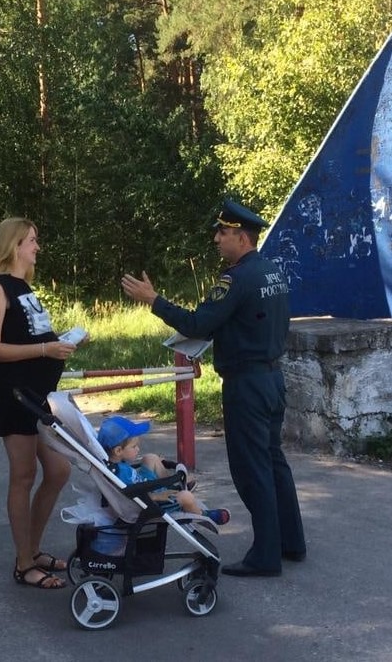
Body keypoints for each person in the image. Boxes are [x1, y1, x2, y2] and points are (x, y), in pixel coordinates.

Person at [120, 199, 306, 578]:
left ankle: (265, 557)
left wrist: (153, 300)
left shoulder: (235, 279)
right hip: (272, 379)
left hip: (247, 386)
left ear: (241, 236)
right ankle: (291, 542)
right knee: (274, 462)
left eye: (223, 233)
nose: (217, 239)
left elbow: (197, 323)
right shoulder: (272, 271)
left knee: (253, 469)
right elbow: (246, 324)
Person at [0, 217, 85, 590]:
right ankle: (24, 564)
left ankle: (34, 549)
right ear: (14, 245)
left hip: (38, 396)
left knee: (58, 471)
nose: (37, 247)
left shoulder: (26, 287)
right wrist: (45, 349)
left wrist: (62, 344)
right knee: (23, 476)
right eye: (32, 241)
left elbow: (38, 335)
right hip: (13, 394)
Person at [97, 415, 230, 526]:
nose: (138, 449)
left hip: (144, 485)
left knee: (150, 458)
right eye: (134, 446)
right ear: (118, 450)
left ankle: (174, 486)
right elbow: (127, 496)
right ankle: (203, 515)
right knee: (186, 497)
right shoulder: (117, 474)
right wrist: (156, 496)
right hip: (148, 501)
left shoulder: (117, 463)